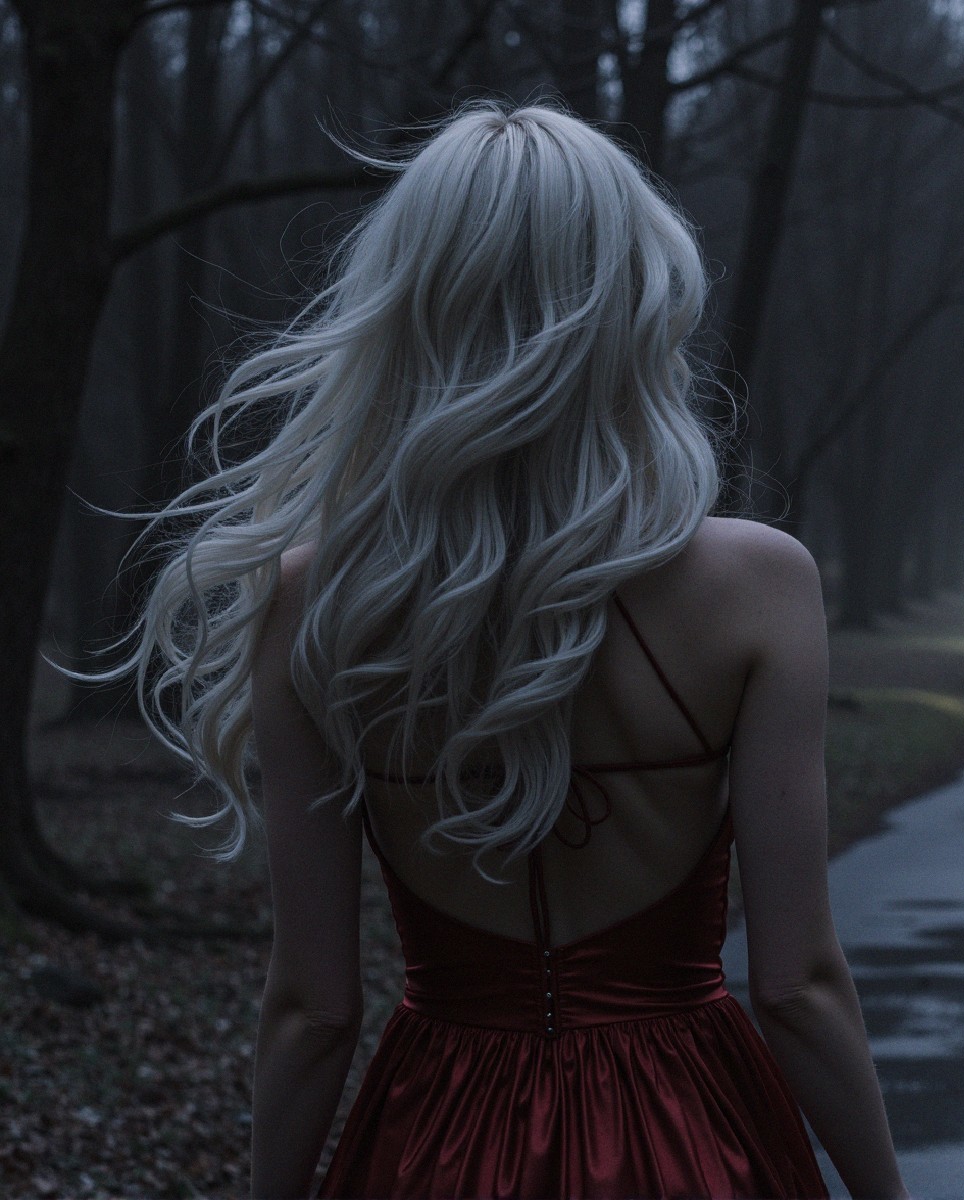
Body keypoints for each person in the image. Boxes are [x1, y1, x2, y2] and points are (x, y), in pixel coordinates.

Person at [119, 103, 905, 1199]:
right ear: (631, 300)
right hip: (692, 1140)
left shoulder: (313, 601)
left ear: (410, 306)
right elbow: (798, 986)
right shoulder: (757, 587)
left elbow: (313, 1012)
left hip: (435, 1143)